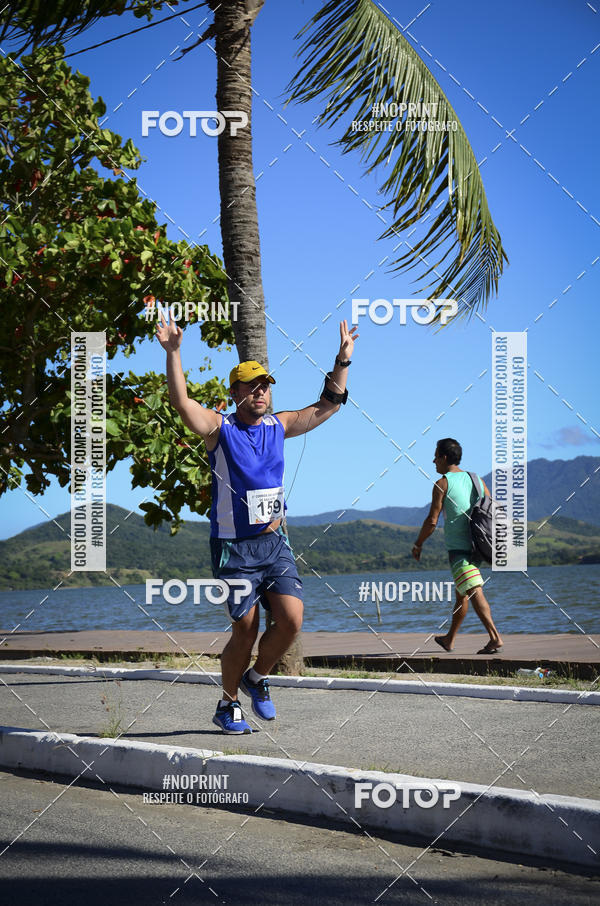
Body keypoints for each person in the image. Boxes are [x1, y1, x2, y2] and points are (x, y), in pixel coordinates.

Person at [157, 313, 358, 733]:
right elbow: (182, 404)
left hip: (275, 543)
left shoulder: (278, 425)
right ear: (236, 393)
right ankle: (227, 703)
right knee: (245, 630)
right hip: (234, 548)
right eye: (253, 386)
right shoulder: (219, 428)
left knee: (291, 620)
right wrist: (174, 353)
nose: (262, 391)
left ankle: (257, 678)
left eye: (266, 385)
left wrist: (342, 361)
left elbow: (328, 406)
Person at [411, 438, 503, 655]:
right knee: (462, 593)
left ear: (443, 458)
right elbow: (491, 512)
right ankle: (449, 639)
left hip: (460, 550)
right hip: (478, 547)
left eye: (435, 456)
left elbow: (432, 521)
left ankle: (495, 638)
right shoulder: (477, 480)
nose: (433, 461)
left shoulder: (442, 483)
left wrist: (418, 544)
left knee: (474, 590)